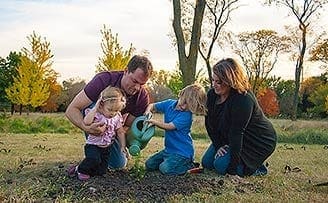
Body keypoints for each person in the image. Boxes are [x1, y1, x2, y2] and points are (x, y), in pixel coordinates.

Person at [65, 55, 153, 169]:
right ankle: (93, 151)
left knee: (118, 164)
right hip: (91, 119)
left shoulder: (142, 98)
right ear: (126, 71)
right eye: (135, 81)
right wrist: (86, 127)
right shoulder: (103, 80)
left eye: (142, 84)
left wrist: (118, 137)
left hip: (112, 127)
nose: (137, 87)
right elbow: (71, 109)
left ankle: (101, 151)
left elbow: (126, 126)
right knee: (97, 103)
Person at [201, 58, 277, 177]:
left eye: (219, 82)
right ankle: (240, 162)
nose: (214, 85)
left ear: (230, 81)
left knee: (221, 166)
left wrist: (232, 171)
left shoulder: (243, 99)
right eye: (213, 80)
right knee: (207, 163)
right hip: (232, 137)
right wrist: (219, 145)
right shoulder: (212, 95)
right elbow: (209, 124)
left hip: (257, 140)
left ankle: (257, 168)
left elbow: (237, 133)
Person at [144, 84, 207, 175]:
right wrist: (148, 111)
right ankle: (172, 163)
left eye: (189, 106)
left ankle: (190, 165)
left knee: (165, 169)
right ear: (181, 94)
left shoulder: (186, 116)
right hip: (169, 150)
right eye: (184, 102)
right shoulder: (169, 104)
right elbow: (152, 105)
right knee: (149, 164)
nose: (184, 107)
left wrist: (154, 122)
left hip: (182, 153)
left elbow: (170, 126)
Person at [68, 87, 127, 180]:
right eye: (110, 109)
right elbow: (86, 122)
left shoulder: (116, 117)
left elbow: (120, 132)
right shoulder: (96, 115)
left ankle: (88, 170)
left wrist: (122, 146)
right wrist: (95, 107)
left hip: (106, 148)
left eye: (116, 111)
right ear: (102, 104)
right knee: (94, 159)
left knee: (101, 171)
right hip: (93, 145)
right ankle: (80, 169)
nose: (112, 113)